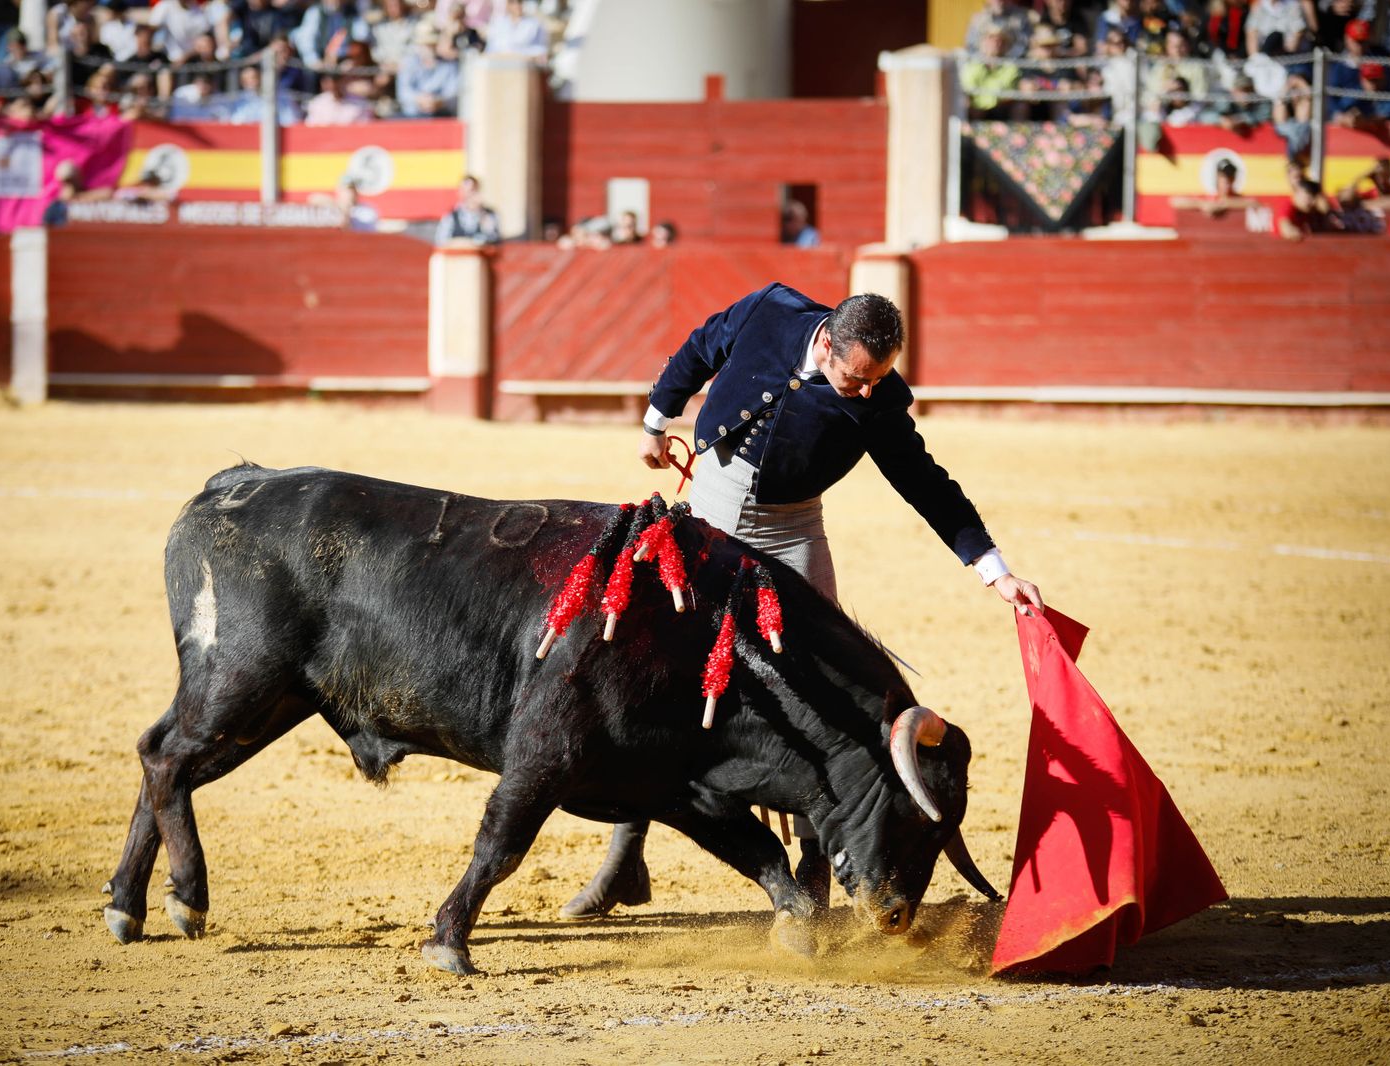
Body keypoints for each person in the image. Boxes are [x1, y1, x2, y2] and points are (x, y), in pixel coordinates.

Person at [560, 284, 1044, 920]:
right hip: (711, 508)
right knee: (664, 681)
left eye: (880, 378)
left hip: (793, 532)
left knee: (824, 693)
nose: (868, 391)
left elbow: (925, 483)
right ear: (826, 343)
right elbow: (701, 347)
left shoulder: (878, 401)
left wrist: (993, 569)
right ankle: (626, 858)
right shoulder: (772, 312)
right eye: (857, 377)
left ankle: (816, 863)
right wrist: (657, 419)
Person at [434, 173, 501, 244]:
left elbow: (494, 239)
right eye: (465, 190)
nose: (469, 194)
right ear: (460, 192)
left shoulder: (489, 214)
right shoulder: (451, 216)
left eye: (472, 190)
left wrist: (481, 214)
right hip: (458, 253)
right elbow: (441, 241)